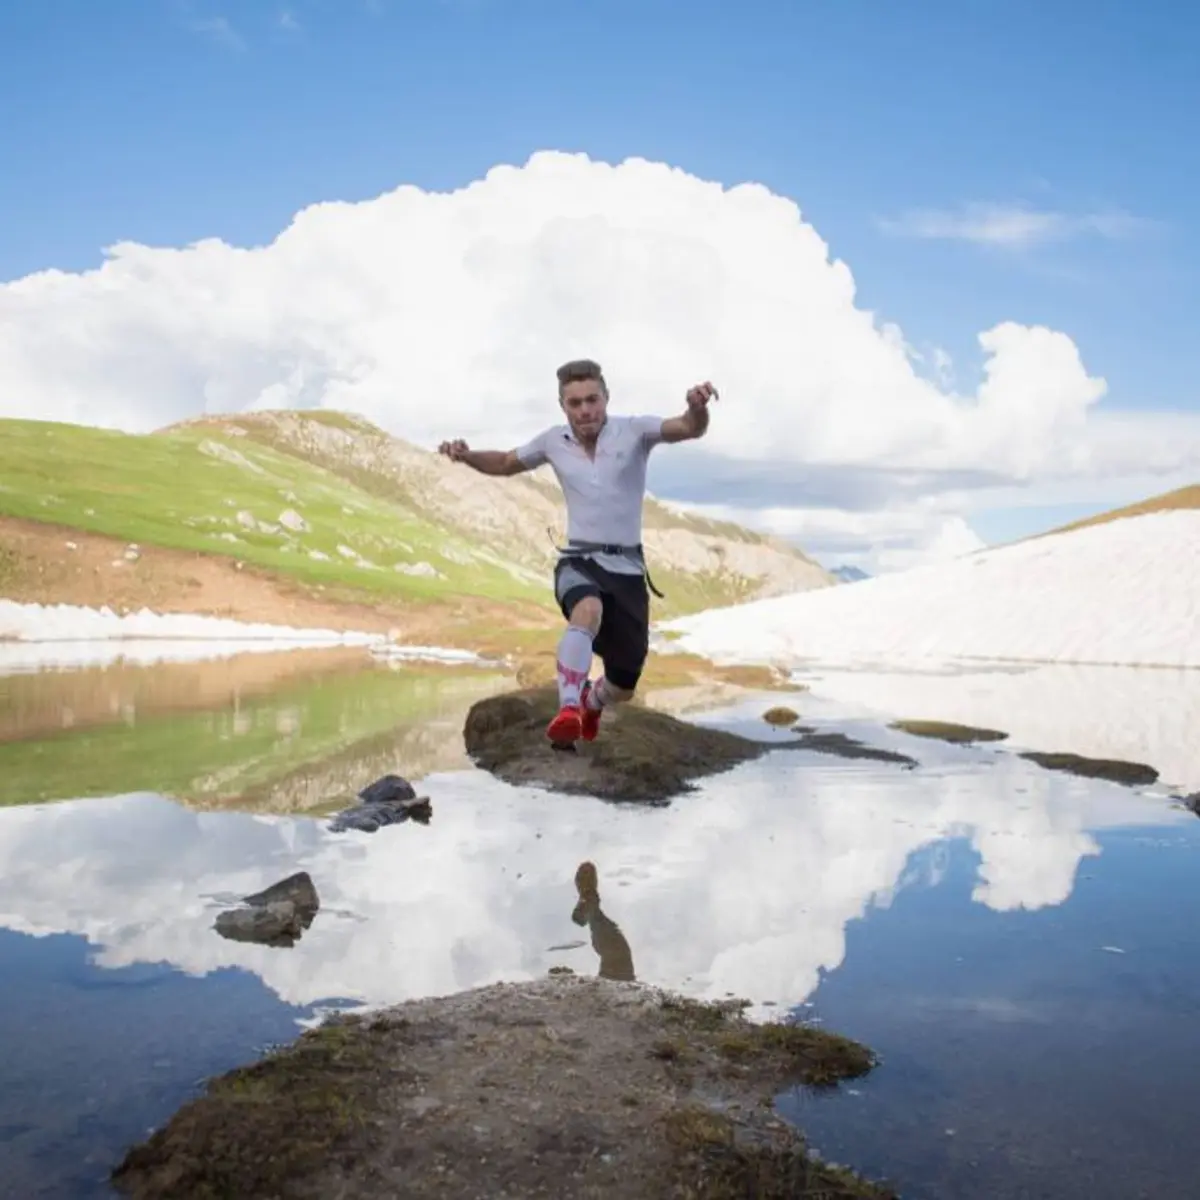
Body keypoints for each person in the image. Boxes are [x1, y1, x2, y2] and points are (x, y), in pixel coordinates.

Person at [438, 357, 717, 745]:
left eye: (592, 400)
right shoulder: (553, 441)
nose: (585, 410)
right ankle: (568, 708)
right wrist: (466, 456)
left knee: (623, 685)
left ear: (606, 398)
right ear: (563, 406)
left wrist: (696, 408)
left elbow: (687, 428)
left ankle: (591, 700)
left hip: (628, 568)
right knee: (587, 610)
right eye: (575, 403)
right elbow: (504, 462)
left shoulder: (635, 431)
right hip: (579, 560)